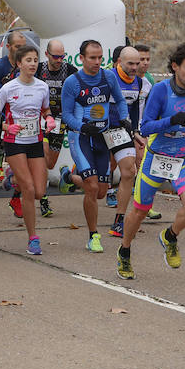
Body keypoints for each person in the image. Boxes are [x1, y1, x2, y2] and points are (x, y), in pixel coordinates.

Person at [117, 44, 185, 280]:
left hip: (184, 158)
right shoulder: (160, 91)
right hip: (156, 158)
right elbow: (146, 127)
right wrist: (171, 120)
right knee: (140, 211)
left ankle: (170, 236)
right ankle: (125, 251)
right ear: (175, 67)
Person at [61, 40, 129, 253]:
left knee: (100, 192)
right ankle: (93, 235)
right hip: (80, 138)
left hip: (102, 138)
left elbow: (120, 100)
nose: (97, 62)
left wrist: (125, 119)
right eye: (92, 57)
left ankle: (69, 177)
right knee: (91, 187)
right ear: (81, 58)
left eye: (100, 57)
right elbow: (66, 114)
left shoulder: (108, 76)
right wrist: (82, 126)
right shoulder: (73, 82)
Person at [0, 45, 51, 255]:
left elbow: (46, 108)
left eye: (35, 60)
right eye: (28, 60)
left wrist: (47, 118)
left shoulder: (42, 87)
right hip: (14, 141)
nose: (32, 64)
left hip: (35, 141)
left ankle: (12, 178)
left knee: (39, 192)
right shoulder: (8, 88)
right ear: (19, 64)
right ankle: (33, 238)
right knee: (28, 190)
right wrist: (6, 126)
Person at [107, 46, 155, 237]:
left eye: (138, 63)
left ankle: (119, 221)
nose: (136, 67)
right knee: (99, 185)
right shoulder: (108, 78)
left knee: (129, 172)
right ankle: (72, 177)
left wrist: (135, 132)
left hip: (121, 132)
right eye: (131, 63)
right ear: (119, 62)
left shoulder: (142, 83)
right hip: (101, 130)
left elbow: (135, 110)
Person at [35, 40, 77, 216]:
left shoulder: (70, 71)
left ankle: (65, 174)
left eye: (62, 56)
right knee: (42, 159)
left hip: (60, 121)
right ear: (46, 55)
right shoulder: (38, 69)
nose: (60, 60)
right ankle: (43, 200)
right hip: (41, 118)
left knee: (50, 163)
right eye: (56, 56)